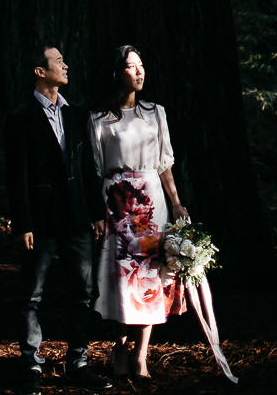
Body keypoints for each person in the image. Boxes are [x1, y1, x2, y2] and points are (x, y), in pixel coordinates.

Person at [4, 46, 112, 395]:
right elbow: (16, 176)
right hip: (40, 223)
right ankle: (30, 364)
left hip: (78, 219)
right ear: (40, 71)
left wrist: (96, 212)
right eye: (58, 61)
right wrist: (22, 224)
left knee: (82, 293)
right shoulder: (20, 117)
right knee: (32, 295)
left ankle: (77, 362)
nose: (66, 65)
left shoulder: (78, 113)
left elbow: (88, 168)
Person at [89, 45, 188, 382]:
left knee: (149, 278)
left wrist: (175, 203)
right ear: (117, 73)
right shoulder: (99, 119)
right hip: (117, 207)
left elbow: (164, 164)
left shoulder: (156, 113)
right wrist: (98, 212)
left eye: (142, 65)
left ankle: (141, 352)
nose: (139, 71)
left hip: (151, 204)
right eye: (131, 67)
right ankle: (118, 346)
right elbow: (96, 169)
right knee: (119, 280)